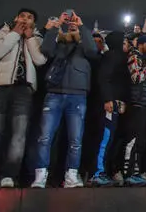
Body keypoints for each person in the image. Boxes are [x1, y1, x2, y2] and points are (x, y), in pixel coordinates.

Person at [0, 9, 47, 188]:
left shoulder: (36, 37)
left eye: (30, 18)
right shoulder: (3, 32)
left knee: (19, 134)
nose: (25, 19)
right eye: (22, 16)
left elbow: (40, 60)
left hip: (23, 91)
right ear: (16, 18)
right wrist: (15, 33)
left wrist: (30, 38)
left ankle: (10, 175)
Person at [32, 10, 99, 188]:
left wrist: (82, 25)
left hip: (77, 94)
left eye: (73, 24)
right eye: (69, 24)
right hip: (54, 92)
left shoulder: (84, 46)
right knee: (45, 137)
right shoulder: (58, 44)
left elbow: (93, 50)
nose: (71, 26)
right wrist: (56, 26)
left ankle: (71, 175)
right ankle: (40, 176)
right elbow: (45, 49)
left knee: (75, 139)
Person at [88, 31, 130, 187]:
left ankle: (103, 171)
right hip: (109, 104)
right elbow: (104, 78)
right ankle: (97, 173)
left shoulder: (117, 57)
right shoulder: (112, 56)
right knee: (105, 138)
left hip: (116, 103)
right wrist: (108, 99)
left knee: (111, 138)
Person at [120, 35, 146, 187]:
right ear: (141, 44)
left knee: (141, 141)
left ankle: (136, 172)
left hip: (145, 103)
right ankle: (128, 173)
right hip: (136, 104)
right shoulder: (134, 56)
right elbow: (136, 78)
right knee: (133, 140)